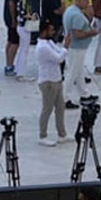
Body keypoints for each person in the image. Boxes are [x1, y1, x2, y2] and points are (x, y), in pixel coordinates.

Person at [36, 19, 69, 147]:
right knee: (47, 109)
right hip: (48, 82)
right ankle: (42, 135)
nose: (53, 32)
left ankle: (62, 134)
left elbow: (58, 52)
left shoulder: (49, 42)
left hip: (56, 79)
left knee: (60, 107)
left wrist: (62, 51)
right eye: (50, 30)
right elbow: (58, 58)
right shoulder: (42, 47)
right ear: (44, 31)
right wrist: (66, 47)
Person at [63, 0, 99, 107]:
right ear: (79, 1)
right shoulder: (77, 15)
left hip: (76, 47)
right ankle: (64, 97)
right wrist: (91, 32)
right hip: (77, 47)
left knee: (78, 72)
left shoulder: (70, 10)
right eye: (86, 1)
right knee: (72, 72)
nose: (88, 4)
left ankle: (84, 94)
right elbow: (77, 34)